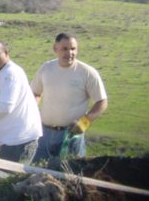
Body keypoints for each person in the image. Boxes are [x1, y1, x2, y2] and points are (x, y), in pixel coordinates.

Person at [31, 32, 108, 168]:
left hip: (70, 136)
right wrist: (33, 112)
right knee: (37, 172)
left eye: (73, 49)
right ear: (55, 49)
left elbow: (102, 102)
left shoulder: (87, 73)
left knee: (71, 175)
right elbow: (35, 93)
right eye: (64, 49)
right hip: (44, 134)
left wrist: (84, 123)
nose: (69, 53)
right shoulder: (46, 69)